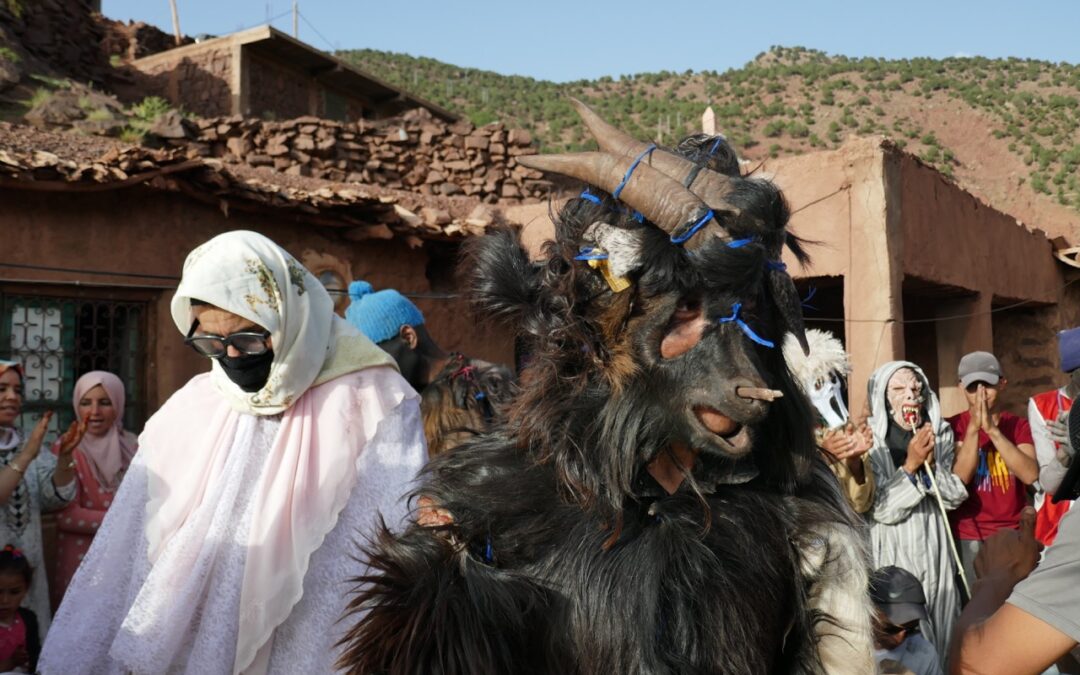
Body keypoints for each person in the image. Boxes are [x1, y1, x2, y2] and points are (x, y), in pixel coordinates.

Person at [38, 231, 427, 674]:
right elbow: (130, 546)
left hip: (307, 639)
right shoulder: (195, 403)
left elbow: (388, 538)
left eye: (248, 340)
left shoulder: (373, 399)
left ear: (288, 316)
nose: (231, 356)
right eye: (210, 342)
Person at [866, 361, 967, 662]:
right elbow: (882, 510)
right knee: (903, 623)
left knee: (943, 615)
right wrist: (910, 466)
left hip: (935, 541)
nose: (910, 395)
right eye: (899, 389)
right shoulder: (871, 441)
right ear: (883, 397)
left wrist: (931, 467)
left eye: (916, 388)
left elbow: (953, 496)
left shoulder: (938, 433)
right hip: (892, 543)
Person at [346, 280, 513, 456]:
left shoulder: (485, 385)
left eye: (377, 360)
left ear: (408, 337)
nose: (374, 374)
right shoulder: (395, 407)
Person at [0, 360, 83, 636]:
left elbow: (57, 497)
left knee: (28, 642)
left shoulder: (27, 441)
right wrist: (26, 455)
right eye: (2, 389)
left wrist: (65, 458)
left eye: (17, 390)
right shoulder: (30, 447)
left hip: (27, 576)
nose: (12, 396)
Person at [48, 371, 139, 610]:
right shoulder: (67, 448)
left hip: (124, 556)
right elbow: (67, 516)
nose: (95, 411)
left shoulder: (133, 446)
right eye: (86, 403)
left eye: (105, 402)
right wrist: (125, 519)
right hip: (82, 559)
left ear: (118, 404)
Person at [947, 351, 1038, 587]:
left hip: (1011, 533)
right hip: (967, 534)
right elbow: (959, 479)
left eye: (987, 384)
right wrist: (974, 429)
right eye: (972, 387)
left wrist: (992, 430)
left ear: (1002, 383)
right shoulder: (951, 427)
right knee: (973, 604)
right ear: (960, 387)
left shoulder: (1018, 426)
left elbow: (1030, 474)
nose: (981, 393)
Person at [782, 329, 875, 512]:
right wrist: (822, 459)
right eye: (819, 383)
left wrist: (854, 463)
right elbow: (787, 496)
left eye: (832, 378)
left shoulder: (845, 431)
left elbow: (860, 504)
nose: (830, 387)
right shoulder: (786, 438)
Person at [1028, 326, 1080, 547]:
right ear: (1072, 372)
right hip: (1058, 528)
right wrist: (1066, 453)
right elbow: (1049, 484)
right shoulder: (1043, 406)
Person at [871, 565, 944, 675]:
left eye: (911, 629)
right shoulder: (848, 649)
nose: (900, 637)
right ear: (870, 611)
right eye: (891, 629)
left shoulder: (923, 653)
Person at [0, 545, 41, 673]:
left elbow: (36, 659)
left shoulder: (28, 619)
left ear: (25, 590)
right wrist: (11, 662)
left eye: (14, 592)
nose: (5, 600)